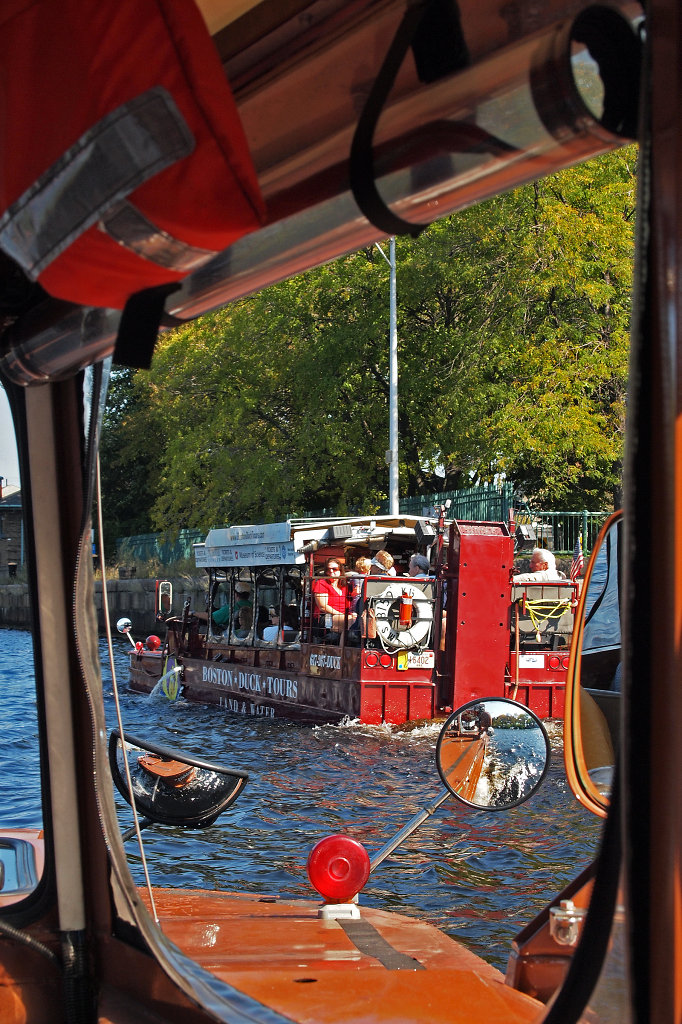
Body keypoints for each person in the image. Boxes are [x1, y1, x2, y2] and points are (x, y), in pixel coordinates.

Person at [312, 557, 355, 642]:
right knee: (350, 621)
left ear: (340, 570)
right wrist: (341, 615)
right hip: (326, 617)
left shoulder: (345, 586)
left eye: (334, 569)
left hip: (342, 616)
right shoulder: (322, 583)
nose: (331, 571)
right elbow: (323, 607)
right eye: (328, 569)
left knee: (359, 620)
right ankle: (341, 651)